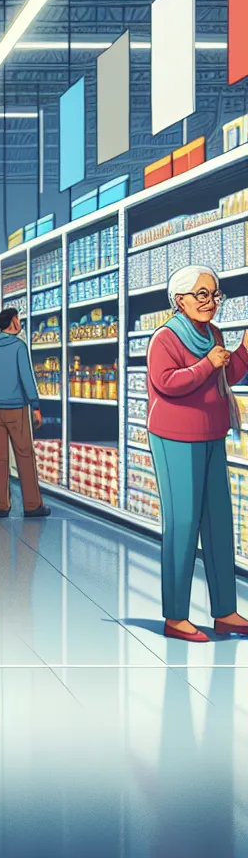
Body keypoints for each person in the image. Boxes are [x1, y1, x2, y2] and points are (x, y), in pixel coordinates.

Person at [146, 265, 248, 642]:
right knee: (183, 524)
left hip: (211, 434)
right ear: (180, 300)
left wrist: (244, 350)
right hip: (175, 437)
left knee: (219, 522)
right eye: (202, 294)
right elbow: (166, 383)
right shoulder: (165, 338)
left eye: (214, 294)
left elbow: (225, 376)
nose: (210, 302)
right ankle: (175, 617)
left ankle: (225, 612)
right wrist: (208, 364)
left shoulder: (213, 334)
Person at [0, 308, 51, 519]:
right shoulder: (19, 347)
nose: (20, 323)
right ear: (13, 322)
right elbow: (27, 377)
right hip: (17, 409)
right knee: (24, 456)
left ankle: (0, 505)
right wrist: (35, 405)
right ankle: (32, 505)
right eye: (18, 319)